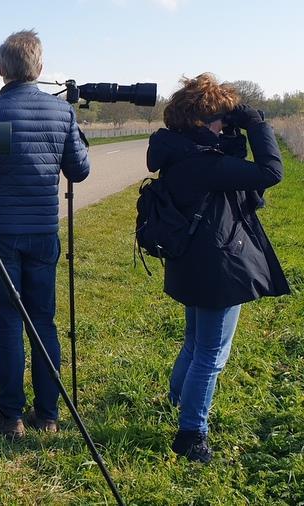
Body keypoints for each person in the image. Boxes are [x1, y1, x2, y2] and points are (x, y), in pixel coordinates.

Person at [146, 73, 289, 462]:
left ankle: (178, 402)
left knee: (195, 344)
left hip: (193, 264)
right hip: (216, 268)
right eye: (219, 119)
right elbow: (272, 173)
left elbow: (235, 166)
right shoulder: (203, 163)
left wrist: (230, 133)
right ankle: (192, 433)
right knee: (211, 354)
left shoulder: (180, 152)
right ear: (199, 122)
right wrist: (257, 125)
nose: (225, 125)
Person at [0, 30, 90, 440]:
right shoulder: (62, 114)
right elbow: (80, 170)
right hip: (42, 232)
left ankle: (10, 415)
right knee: (43, 322)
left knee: (7, 322)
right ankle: (49, 414)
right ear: (40, 67)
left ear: (2, 69)